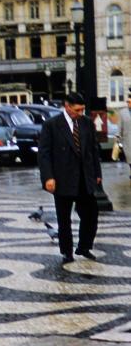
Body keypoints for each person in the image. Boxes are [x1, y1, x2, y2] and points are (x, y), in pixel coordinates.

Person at [38, 92, 102, 264]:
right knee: (64, 218)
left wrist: (97, 174)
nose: (81, 113)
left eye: (82, 110)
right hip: (62, 178)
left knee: (91, 214)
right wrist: (48, 177)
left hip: (84, 178)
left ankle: (84, 246)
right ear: (67, 107)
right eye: (77, 110)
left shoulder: (87, 123)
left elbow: (93, 150)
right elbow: (44, 154)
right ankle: (67, 252)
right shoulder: (52, 125)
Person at [114, 96, 131, 181]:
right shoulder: (122, 112)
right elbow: (119, 127)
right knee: (130, 158)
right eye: (128, 102)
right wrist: (117, 139)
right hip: (127, 140)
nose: (129, 103)